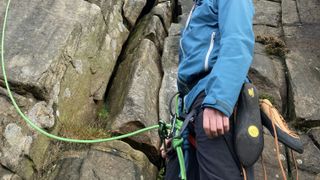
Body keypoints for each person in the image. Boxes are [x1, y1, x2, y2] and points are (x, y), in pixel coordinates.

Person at [162, 0, 255, 179]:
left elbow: (238, 42)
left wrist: (218, 102)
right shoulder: (199, 5)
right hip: (194, 109)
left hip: (212, 98)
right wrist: (178, 128)